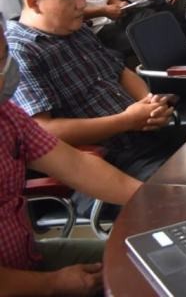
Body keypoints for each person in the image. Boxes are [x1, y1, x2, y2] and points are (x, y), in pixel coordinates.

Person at [7, 0, 186, 214]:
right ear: (34, 1)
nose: (83, 4)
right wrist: (128, 120)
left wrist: (148, 104)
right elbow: (45, 131)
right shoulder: (19, 52)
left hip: (144, 138)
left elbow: (121, 71)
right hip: (107, 165)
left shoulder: (76, 30)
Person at [0, 28, 144, 295]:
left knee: (150, 258)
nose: (7, 69)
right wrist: (52, 284)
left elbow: (76, 165)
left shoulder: (6, 114)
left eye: (3, 56)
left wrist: (152, 199)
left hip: (28, 258)